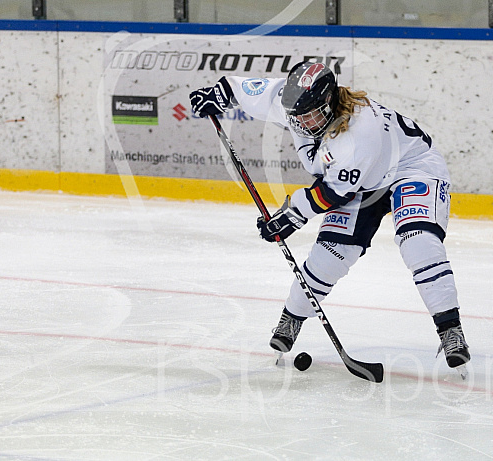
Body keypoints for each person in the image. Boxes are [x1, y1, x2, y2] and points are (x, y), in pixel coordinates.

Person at [190, 61, 470, 370]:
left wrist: (290, 217)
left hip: (411, 167)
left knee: (418, 241)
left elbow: (334, 193)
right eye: (297, 118)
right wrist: (215, 95)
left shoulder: (359, 133)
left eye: (309, 117)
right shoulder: (293, 103)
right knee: (329, 255)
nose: (301, 125)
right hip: (356, 182)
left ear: (328, 104)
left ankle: (450, 330)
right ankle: (291, 319)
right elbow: (239, 89)